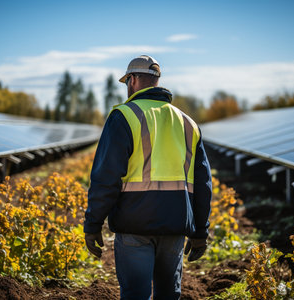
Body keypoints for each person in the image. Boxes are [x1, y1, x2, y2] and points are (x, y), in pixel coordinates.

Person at [84, 55, 212, 299]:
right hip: (175, 224)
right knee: (168, 295)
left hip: (135, 225)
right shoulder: (188, 123)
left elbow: (106, 177)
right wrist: (199, 233)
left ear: (131, 81)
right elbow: (204, 185)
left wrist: (93, 223)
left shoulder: (124, 116)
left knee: (135, 295)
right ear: (156, 81)